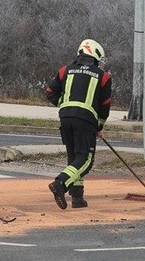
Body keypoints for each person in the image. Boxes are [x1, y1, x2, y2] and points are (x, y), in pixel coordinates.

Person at [44, 39, 112, 209]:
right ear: (96, 56)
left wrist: (66, 105)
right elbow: (105, 106)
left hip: (65, 118)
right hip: (85, 120)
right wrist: (99, 126)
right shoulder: (103, 76)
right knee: (85, 160)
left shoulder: (64, 70)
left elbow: (50, 92)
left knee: (74, 158)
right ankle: (60, 184)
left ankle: (77, 197)